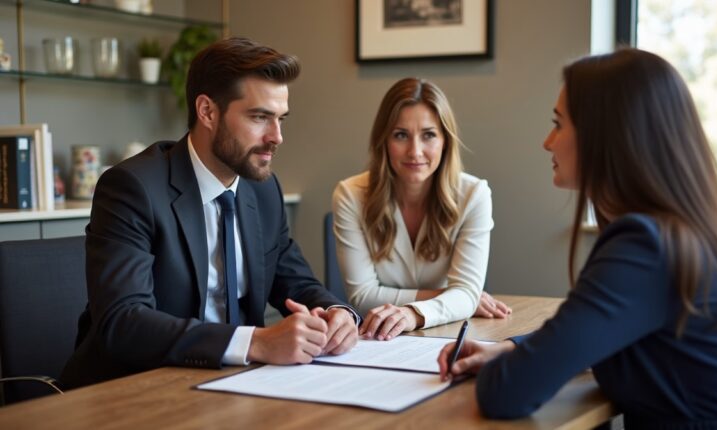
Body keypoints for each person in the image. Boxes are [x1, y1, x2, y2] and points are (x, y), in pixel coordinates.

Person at [438, 48, 717, 427]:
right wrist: (509, 348)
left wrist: (513, 365)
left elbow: (507, 393)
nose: (547, 141)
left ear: (607, 135)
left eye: (558, 124)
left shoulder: (645, 246)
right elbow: (591, 330)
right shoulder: (679, 231)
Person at [61, 38, 359, 388]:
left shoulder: (263, 190)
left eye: (280, 119)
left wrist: (338, 313)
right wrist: (258, 342)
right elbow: (124, 322)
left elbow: (294, 280)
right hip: (133, 389)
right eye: (260, 117)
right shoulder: (133, 188)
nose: (276, 136)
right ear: (207, 111)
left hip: (234, 385)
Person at [332, 77, 509, 342]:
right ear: (384, 140)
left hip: (445, 333)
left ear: (445, 141)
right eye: (401, 135)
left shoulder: (474, 195)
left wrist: (414, 313)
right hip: (376, 338)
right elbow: (362, 297)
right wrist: (456, 296)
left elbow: (466, 294)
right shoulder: (350, 195)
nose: (415, 151)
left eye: (428, 135)